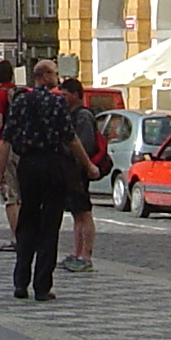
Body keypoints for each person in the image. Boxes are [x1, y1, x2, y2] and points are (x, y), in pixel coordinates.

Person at [2, 61, 91, 301]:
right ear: (44, 76)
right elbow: (70, 138)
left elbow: (7, 138)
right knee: (50, 225)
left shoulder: (20, 101)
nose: (57, 78)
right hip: (53, 164)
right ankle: (42, 285)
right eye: (54, 73)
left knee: (27, 220)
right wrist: (88, 164)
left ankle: (20, 282)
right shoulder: (57, 101)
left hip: (28, 165)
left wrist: (0, 174)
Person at [59, 77, 100, 274]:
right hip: (72, 170)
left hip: (79, 170)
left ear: (75, 95)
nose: (63, 98)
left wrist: (81, 162)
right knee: (77, 214)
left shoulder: (82, 116)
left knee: (84, 213)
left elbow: (85, 144)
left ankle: (86, 256)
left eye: (65, 95)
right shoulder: (72, 114)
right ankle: (76, 253)